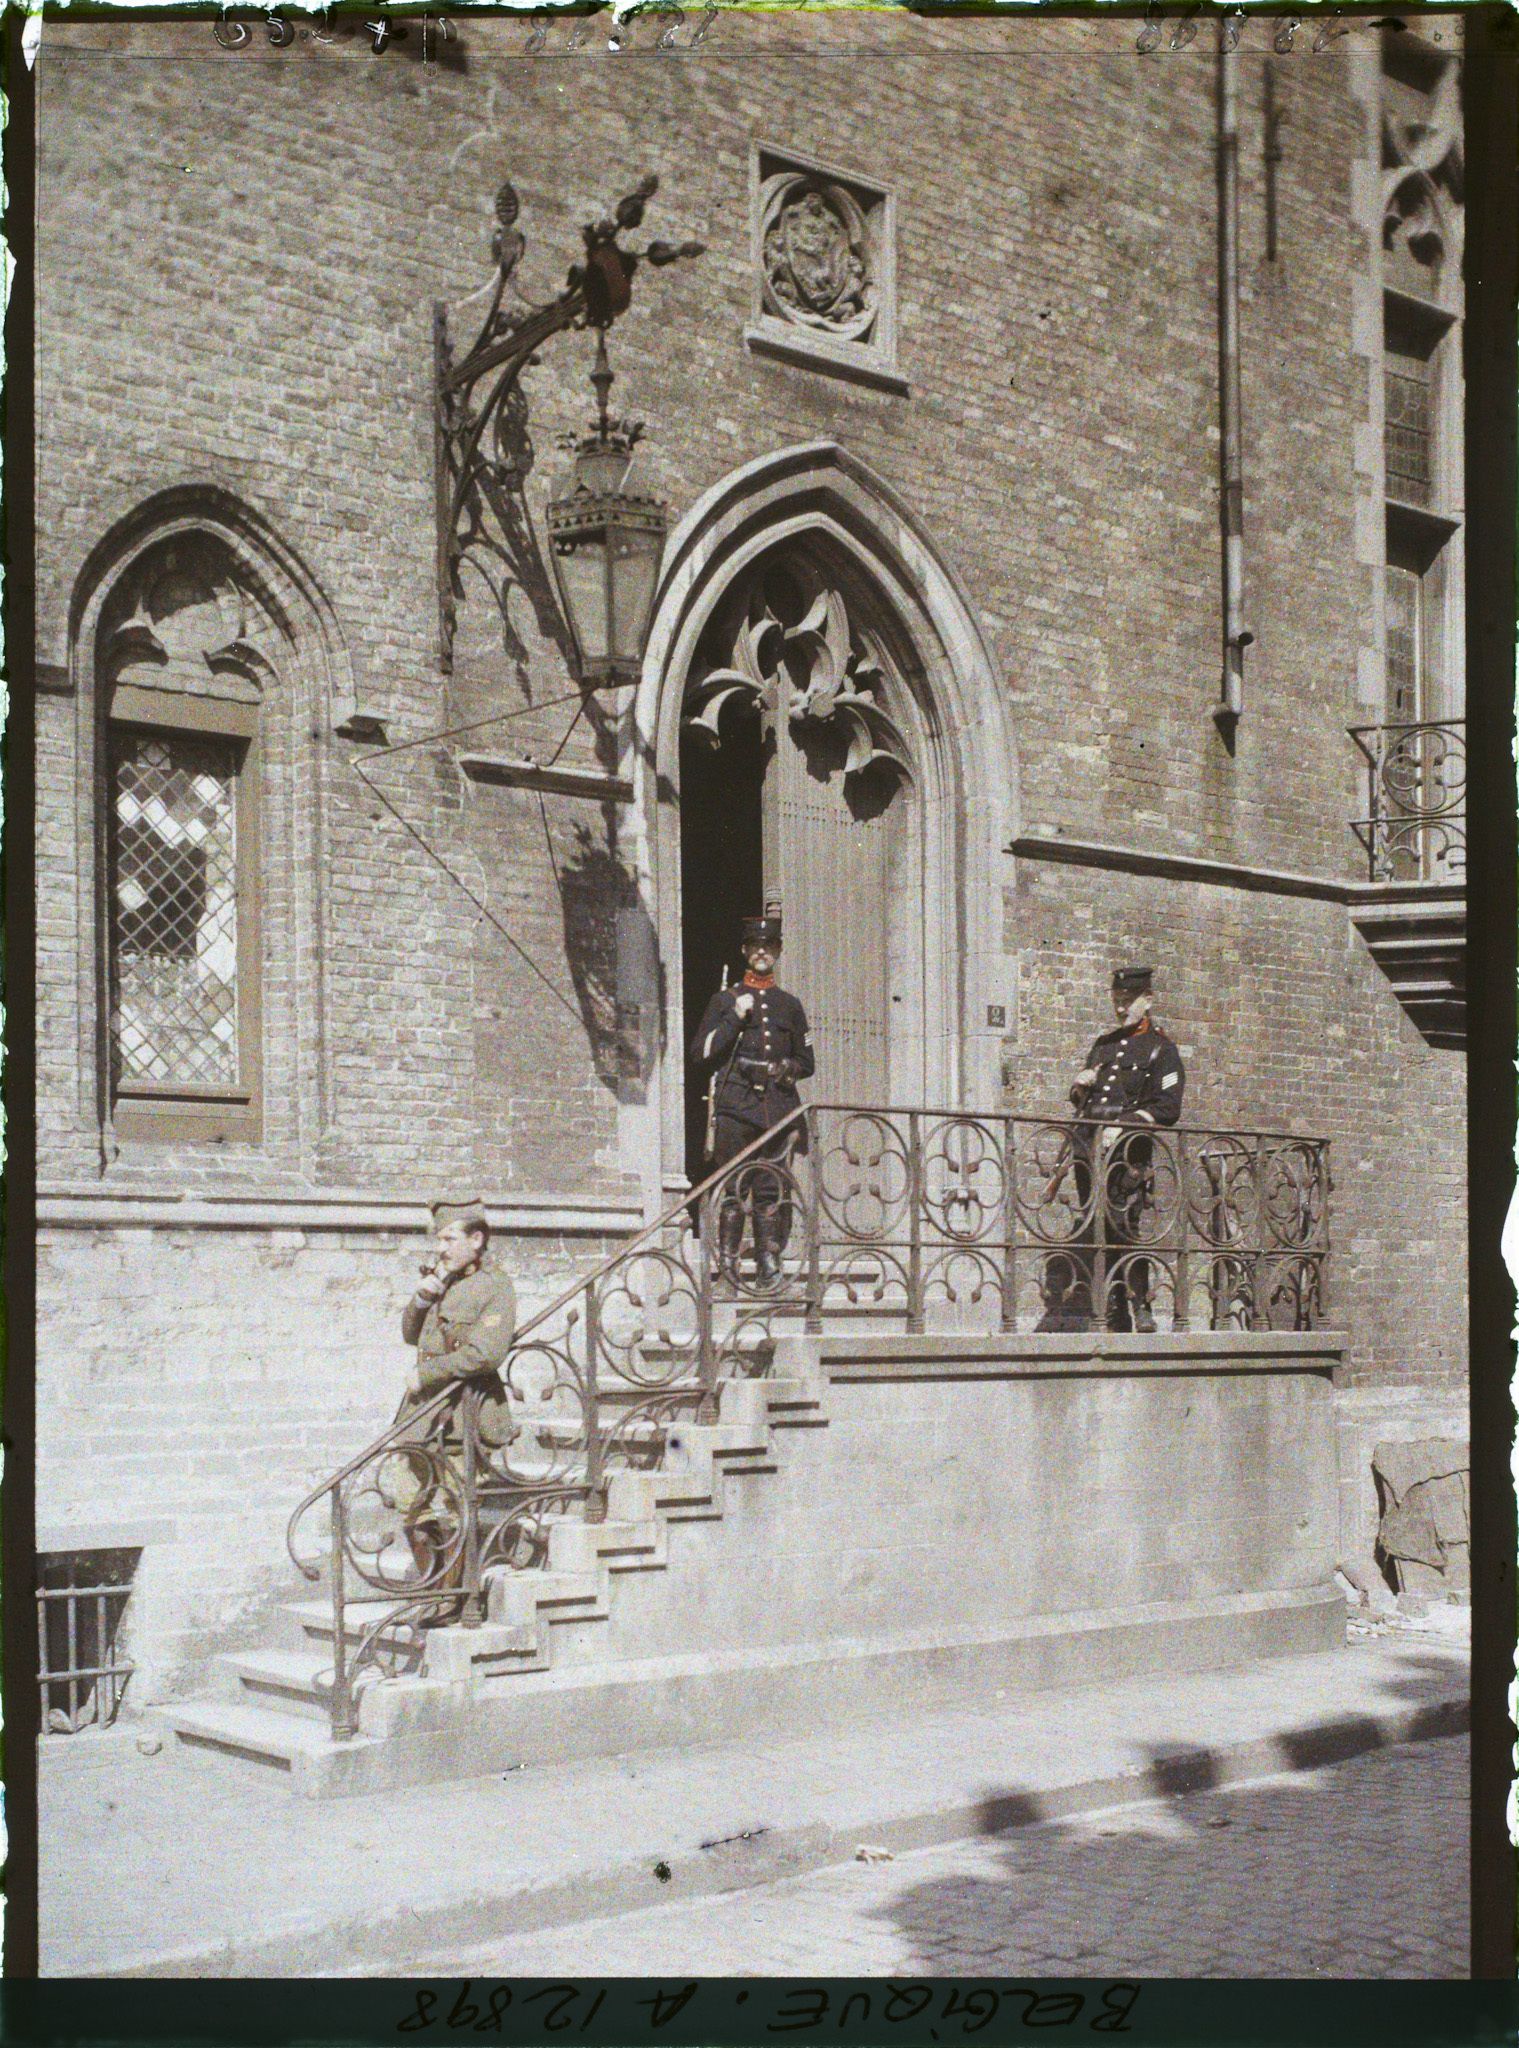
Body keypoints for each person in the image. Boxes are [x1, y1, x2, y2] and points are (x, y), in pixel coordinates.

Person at [1039, 965, 1186, 1333]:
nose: (1121, 1009)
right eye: (1117, 1001)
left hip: (1128, 1153)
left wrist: (1125, 1124)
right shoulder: (1103, 1045)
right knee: (1095, 1227)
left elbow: (1168, 1107)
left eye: (1128, 1002)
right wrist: (1079, 1084)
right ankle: (1112, 1309)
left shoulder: (1161, 1050)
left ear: (1147, 1000)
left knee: (1126, 1226)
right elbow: (1082, 1102)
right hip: (1087, 1151)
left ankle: (1142, 1306)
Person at [393, 1198, 518, 1587]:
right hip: (422, 1415)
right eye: (439, 1239)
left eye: (449, 1238)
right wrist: (421, 1299)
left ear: (476, 1239)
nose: (441, 1248)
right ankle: (433, 1588)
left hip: (463, 1413)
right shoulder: (444, 1281)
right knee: (409, 1502)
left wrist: (426, 1373)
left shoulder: (495, 1287)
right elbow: (411, 1335)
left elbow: (486, 1353)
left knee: (454, 1505)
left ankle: (454, 1598)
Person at [690, 911, 815, 1286]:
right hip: (736, 1106)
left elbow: (807, 1062)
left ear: (777, 952)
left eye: (769, 947)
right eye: (756, 947)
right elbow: (701, 1052)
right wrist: (733, 1019)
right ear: (745, 951)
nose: (762, 953)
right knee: (732, 1187)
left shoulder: (790, 1005)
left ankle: (768, 1264)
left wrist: (784, 1068)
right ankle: (728, 1264)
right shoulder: (725, 1000)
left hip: (776, 1108)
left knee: (770, 1187)